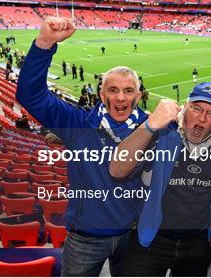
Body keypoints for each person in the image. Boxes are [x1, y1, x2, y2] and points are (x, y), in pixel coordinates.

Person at [16, 17, 148, 276]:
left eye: (128, 90)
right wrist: (44, 43)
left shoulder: (153, 128)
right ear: (101, 95)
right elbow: (30, 95)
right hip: (85, 237)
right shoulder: (77, 123)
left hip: (134, 237)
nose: (120, 97)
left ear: (138, 96)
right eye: (113, 90)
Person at [109, 82, 211, 276]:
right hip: (150, 240)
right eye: (197, 108)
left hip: (196, 244)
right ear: (185, 106)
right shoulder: (162, 132)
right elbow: (117, 170)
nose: (202, 118)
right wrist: (150, 125)